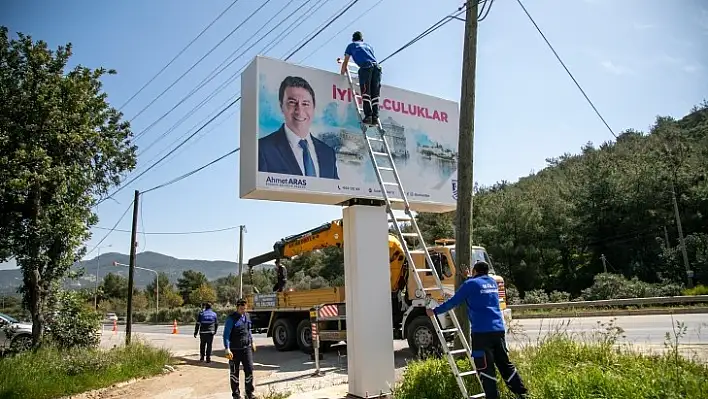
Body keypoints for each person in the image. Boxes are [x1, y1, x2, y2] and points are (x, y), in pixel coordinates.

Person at [426, 261, 529, 399]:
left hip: (481, 334)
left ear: (474, 271)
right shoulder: (492, 283)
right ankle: (522, 393)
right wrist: (468, 277)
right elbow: (479, 287)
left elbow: (454, 301)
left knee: (485, 369)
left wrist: (434, 311)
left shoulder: (470, 285)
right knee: (504, 364)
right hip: (498, 330)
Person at [258, 75, 339, 179]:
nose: (299, 111)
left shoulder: (328, 153)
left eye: (305, 104)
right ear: (281, 106)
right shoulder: (263, 148)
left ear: (313, 108)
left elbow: (335, 191)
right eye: (292, 103)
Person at [340, 31, 381, 126]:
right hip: (377, 69)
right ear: (362, 39)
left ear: (353, 39)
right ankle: (375, 117)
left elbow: (345, 62)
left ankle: (368, 116)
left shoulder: (351, 46)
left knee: (366, 93)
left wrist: (342, 74)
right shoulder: (369, 46)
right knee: (375, 94)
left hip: (366, 68)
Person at [224, 298, 257, 399]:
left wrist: (252, 341)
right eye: (241, 309)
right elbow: (226, 335)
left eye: (245, 309)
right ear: (237, 307)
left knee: (249, 370)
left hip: (246, 348)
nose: (243, 311)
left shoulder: (246, 316)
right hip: (234, 350)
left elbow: (248, 330)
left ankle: (249, 393)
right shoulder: (231, 319)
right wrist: (227, 348)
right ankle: (236, 395)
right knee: (234, 372)